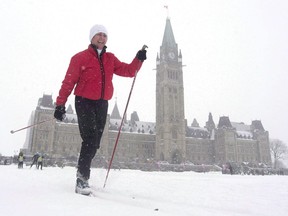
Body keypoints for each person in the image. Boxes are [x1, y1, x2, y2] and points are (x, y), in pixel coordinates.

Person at [53, 24, 147, 195]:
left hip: (102, 103)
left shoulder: (110, 58)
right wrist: (60, 104)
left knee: (95, 142)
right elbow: (68, 82)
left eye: (104, 35)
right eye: (98, 35)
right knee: (89, 138)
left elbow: (129, 71)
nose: (102, 38)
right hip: (84, 101)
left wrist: (138, 59)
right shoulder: (79, 58)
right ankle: (82, 180)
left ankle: (83, 173)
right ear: (92, 38)